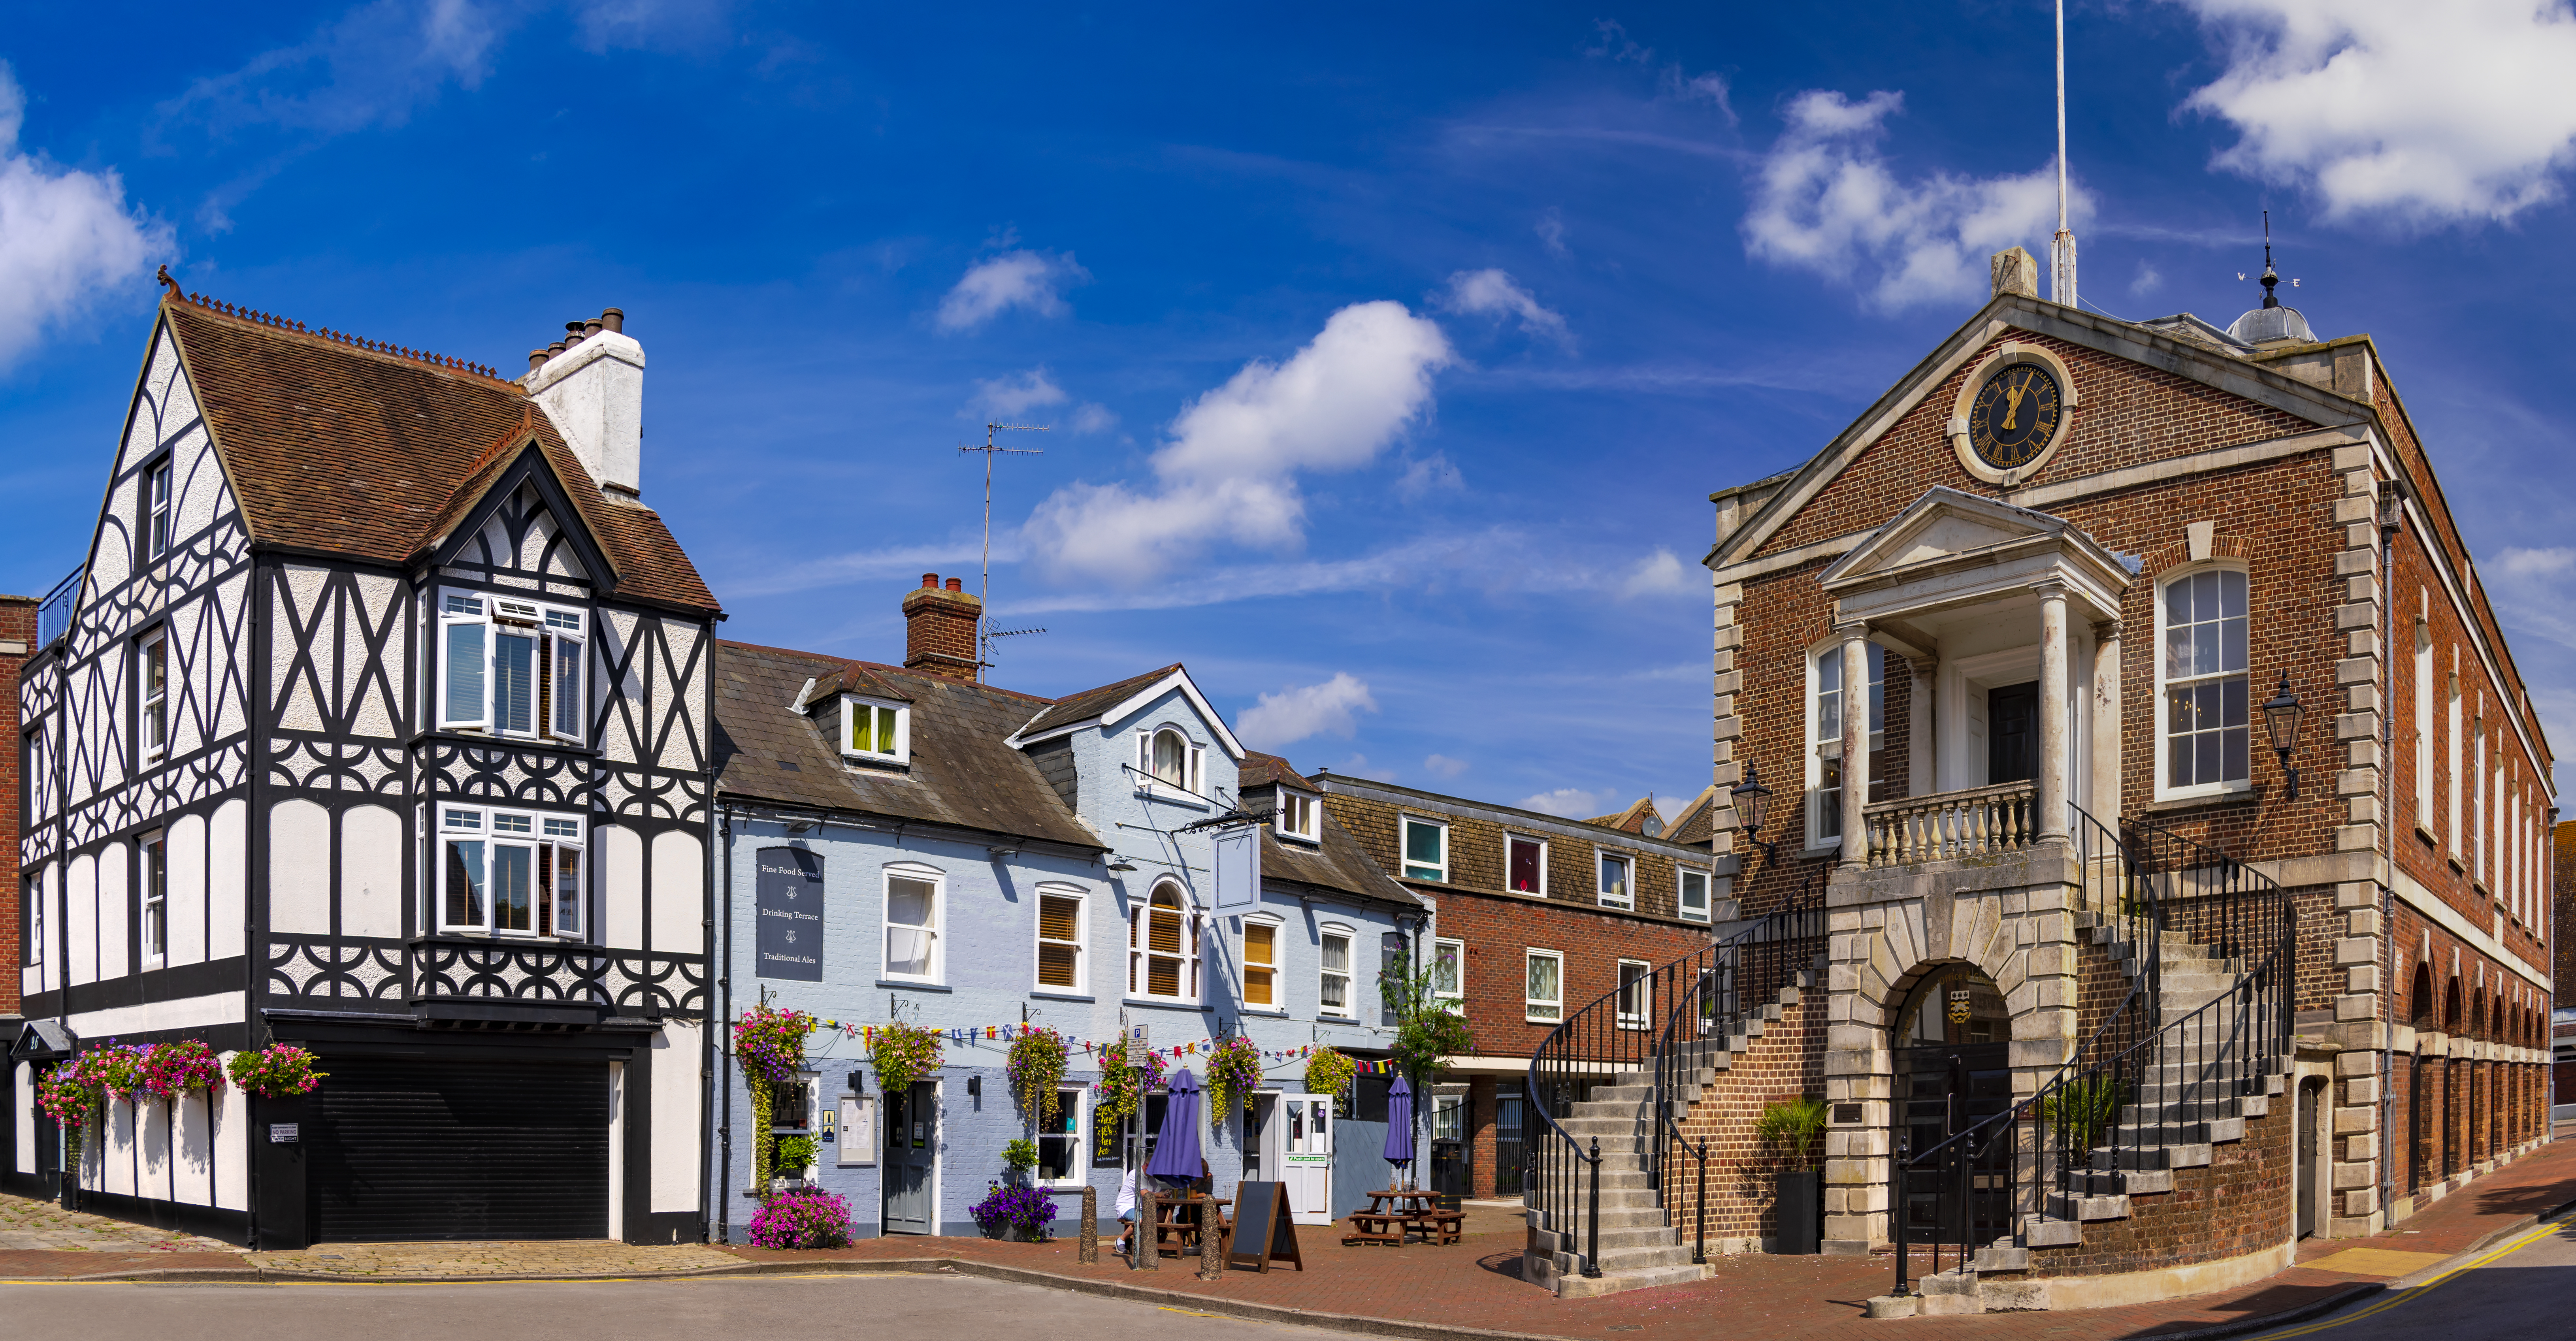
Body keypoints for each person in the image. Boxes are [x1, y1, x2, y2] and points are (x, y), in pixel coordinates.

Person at [1112, 1165, 1138, 1256]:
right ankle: (1121, 1240)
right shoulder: (1135, 1174)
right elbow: (1145, 1193)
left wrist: (1164, 1194)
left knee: (1161, 1216)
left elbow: (1158, 1191)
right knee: (1141, 1221)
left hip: (1141, 1208)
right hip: (1127, 1207)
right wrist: (1159, 1194)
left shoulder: (1151, 1178)